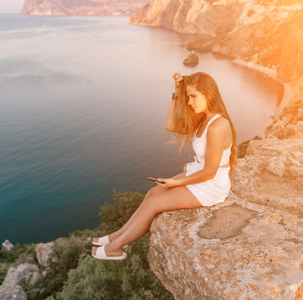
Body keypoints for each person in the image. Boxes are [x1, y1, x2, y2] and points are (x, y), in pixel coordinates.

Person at [91, 71, 237, 260]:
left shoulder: (218, 126)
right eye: (188, 97)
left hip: (211, 185)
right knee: (152, 193)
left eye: (193, 96)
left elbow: (210, 172)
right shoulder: (203, 120)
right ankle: (116, 236)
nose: (190, 102)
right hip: (198, 175)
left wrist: (175, 183)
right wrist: (177, 91)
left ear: (208, 95)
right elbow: (170, 125)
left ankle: (114, 248)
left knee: (154, 203)